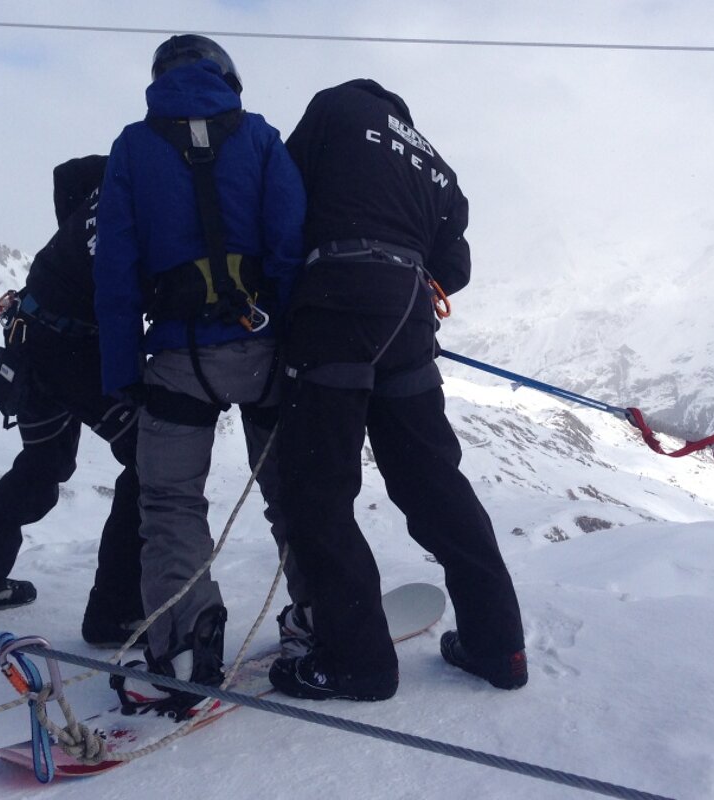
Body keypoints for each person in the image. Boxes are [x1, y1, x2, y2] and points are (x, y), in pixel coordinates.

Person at [268, 79, 528, 702]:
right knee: (433, 483)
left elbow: (281, 201)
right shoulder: (435, 162)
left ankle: (358, 661)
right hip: (408, 315)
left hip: (333, 304)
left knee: (318, 491)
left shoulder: (330, 112)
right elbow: (454, 267)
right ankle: (499, 646)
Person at [94, 35, 308, 718]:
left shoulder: (132, 147)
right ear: (228, 78)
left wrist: (120, 372)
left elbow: (117, 270)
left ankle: (187, 642)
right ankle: (322, 613)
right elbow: (288, 243)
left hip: (179, 358)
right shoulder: (262, 139)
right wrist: (291, 342)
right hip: (263, 348)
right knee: (293, 494)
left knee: (171, 505)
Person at [0, 155, 146, 650]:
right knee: (150, 462)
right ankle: (116, 613)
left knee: (42, 463)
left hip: (31, 346)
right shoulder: (122, 207)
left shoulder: (81, 223)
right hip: (72, 352)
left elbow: (71, 182)